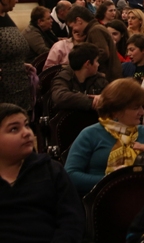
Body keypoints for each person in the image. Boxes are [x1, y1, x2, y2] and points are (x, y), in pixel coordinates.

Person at [0, 103, 85, 243]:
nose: (27, 133)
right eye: (14, 129)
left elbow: (72, 221)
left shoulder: (51, 170)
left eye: (27, 125)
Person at [65, 78, 144, 195]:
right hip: (102, 198)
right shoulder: (90, 134)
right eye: (136, 108)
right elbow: (71, 175)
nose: (142, 112)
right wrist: (113, 180)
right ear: (116, 111)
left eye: (141, 106)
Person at [0, 0, 34, 110]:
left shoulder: (5, 16)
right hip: (4, 94)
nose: (17, 0)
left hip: (19, 89)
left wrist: (19, 64)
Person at [65, 6, 122, 81]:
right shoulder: (94, 29)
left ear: (79, 20)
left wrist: (84, 66)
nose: (73, 30)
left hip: (107, 77)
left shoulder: (95, 30)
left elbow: (103, 52)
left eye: (72, 27)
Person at [50, 43, 108, 111]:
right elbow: (59, 96)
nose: (98, 64)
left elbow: (112, 97)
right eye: (96, 61)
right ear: (88, 64)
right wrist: (91, 101)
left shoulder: (99, 79)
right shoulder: (63, 77)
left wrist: (103, 99)